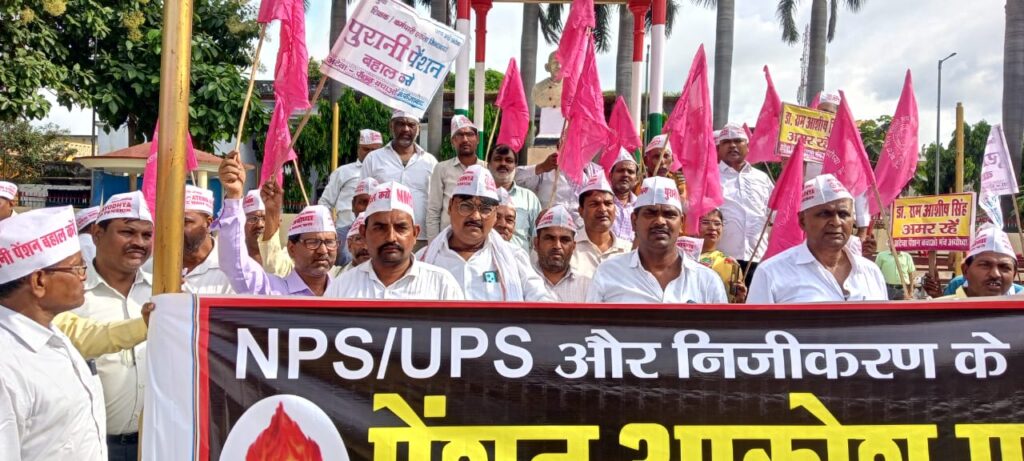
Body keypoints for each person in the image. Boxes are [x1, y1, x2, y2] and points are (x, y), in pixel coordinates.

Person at [0, 206, 107, 460]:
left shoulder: (51, 335)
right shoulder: (7, 363)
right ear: (39, 281)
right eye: (77, 268)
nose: (84, 277)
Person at [71, 191, 154, 461]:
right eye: (127, 232)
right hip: (88, 446)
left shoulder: (165, 293)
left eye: (146, 235)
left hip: (153, 444)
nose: (138, 243)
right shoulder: (71, 295)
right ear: (97, 234)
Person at [419, 165, 553, 301]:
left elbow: (542, 300)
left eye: (485, 209)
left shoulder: (514, 258)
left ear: (494, 215)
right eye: (466, 206)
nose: (475, 216)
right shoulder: (423, 260)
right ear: (450, 207)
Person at [747, 174, 887, 303]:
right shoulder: (771, 273)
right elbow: (756, 323)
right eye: (825, 214)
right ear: (802, 221)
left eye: (843, 214)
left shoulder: (871, 272)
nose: (836, 222)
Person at [587, 177, 727, 303]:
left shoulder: (707, 280)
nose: (660, 221)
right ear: (634, 221)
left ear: (681, 223)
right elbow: (590, 323)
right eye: (650, 213)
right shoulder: (609, 272)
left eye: (669, 214)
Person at [219, 153, 339, 296]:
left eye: (330, 242)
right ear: (292, 249)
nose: (323, 250)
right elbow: (236, 268)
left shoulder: (346, 290)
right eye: (313, 242)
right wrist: (233, 196)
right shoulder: (272, 291)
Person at [326, 182, 464, 299]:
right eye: (380, 228)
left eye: (401, 228)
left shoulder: (442, 286)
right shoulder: (341, 287)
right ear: (364, 233)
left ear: (415, 234)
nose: (391, 237)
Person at [361, 111, 438, 251]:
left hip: (420, 237)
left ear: (418, 129)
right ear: (391, 126)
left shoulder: (430, 162)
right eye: (401, 124)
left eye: (411, 125)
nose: (406, 129)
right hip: (383, 236)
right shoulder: (373, 159)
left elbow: (435, 202)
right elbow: (364, 199)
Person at [716, 123, 773, 285]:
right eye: (726, 142)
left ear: (747, 146)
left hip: (758, 258)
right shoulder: (711, 176)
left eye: (738, 140)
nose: (732, 145)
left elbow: (775, 214)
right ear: (719, 148)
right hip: (721, 261)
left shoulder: (762, 178)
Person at [426, 115, 484, 241]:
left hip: (478, 239)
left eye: (469, 134)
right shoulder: (441, 169)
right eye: (459, 135)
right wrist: (433, 245)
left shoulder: (486, 169)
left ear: (478, 139)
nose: (465, 139)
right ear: (453, 141)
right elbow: (433, 211)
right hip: (448, 240)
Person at [319, 129, 383, 227]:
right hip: (345, 229)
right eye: (366, 149)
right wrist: (329, 227)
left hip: (377, 229)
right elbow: (325, 203)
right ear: (358, 149)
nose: (370, 154)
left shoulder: (387, 173)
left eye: (374, 150)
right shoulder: (343, 172)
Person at [515, 152, 603, 223]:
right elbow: (514, 179)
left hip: (581, 232)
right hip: (549, 227)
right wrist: (541, 167)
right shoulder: (547, 170)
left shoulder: (594, 172)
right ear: (559, 146)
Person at [572, 174, 632, 277]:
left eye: (608, 203)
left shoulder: (629, 251)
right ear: (581, 211)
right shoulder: (569, 248)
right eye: (594, 204)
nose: (603, 209)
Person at [941, 226, 1019, 298]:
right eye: (985, 265)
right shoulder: (940, 307)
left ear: (1014, 274)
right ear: (965, 270)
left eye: (1004, 267)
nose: (995, 274)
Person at [182, 185, 233, 294]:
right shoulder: (152, 267)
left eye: (185, 222)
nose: (175, 229)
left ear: (208, 223)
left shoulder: (231, 270)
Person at [489, 144, 541, 251]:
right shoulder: (479, 196)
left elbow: (538, 237)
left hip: (519, 259)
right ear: (488, 164)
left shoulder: (529, 199)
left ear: (515, 166)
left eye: (509, 160)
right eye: (498, 159)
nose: (503, 163)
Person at [533, 205, 591, 302]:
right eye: (550, 238)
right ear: (536, 243)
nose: (557, 246)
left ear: (573, 246)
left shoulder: (586, 286)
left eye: (565, 240)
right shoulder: (523, 280)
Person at [696, 209, 746, 303]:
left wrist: (740, 299)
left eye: (717, 223)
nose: (712, 227)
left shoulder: (731, 264)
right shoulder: (682, 257)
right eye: (705, 222)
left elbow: (733, 304)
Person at [335, 177, 378, 267]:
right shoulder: (337, 236)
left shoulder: (388, 236)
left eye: (373, 203)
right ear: (353, 205)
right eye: (363, 202)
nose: (368, 208)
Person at [608, 148, 638, 241]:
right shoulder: (600, 202)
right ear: (610, 175)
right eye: (620, 170)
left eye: (630, 172)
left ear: (636, 179)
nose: (625, 174)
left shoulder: (640, 206)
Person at [242, 190, 266, 265]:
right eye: (252, 218)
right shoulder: (233, 258)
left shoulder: (284, 260)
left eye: (265, 219)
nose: (260, 224)